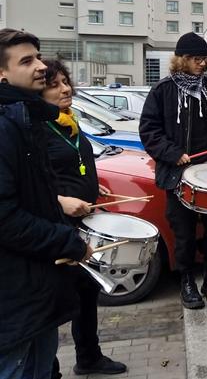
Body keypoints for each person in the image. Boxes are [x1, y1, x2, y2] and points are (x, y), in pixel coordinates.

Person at [0, 29, 92, 379]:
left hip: (35, 289)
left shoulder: (26, 118)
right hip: (15, 298)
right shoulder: (5, 125)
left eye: (38, 56)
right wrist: (66, 240)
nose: (41, 66)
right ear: (2, 74)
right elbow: (4, 217)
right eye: (27, 61)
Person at [139, 32, 207, 310]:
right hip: (178, 173)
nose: (202, 64)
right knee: (183, 231)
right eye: (197, 59)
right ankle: (186, 280)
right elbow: (149, 131)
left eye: (205, 59)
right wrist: (174, 154)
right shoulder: (162, 90)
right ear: (182, 60)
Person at [41, 60, 127, 377]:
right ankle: (48, 369)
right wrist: (62, 201)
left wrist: (93, 181)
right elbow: (30, 185)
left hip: (83, 223)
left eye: (66, 82)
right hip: (55, 225)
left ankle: (89, 357)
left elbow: (74, 162)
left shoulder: (69, 123)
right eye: (55, 84)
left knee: (87, 292)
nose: (65, 89)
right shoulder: (37, 130)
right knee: (52, 302)